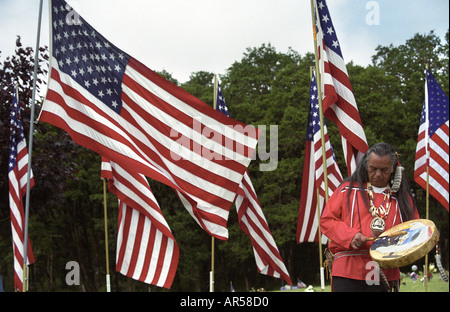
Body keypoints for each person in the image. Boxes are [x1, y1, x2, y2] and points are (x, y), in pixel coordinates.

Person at [320, 143, 420, 292]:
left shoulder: (402, 198)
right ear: (366, 166)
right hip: (349, 269)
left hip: (386, 272)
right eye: (373, 169)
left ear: (393, 168)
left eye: (384, 170)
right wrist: (351, 236)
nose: (378, 174)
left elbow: (414, 230)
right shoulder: (347, 189)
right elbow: (327, 220)